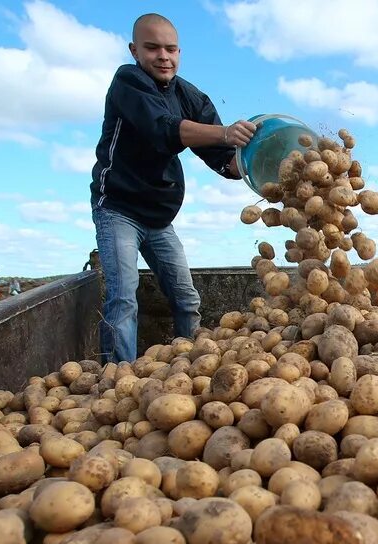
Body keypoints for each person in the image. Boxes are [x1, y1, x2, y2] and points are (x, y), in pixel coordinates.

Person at [90, 13, 258, 364]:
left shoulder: (189, 95)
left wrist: (264, 169)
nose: (163, 56)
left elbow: (223, 158)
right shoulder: (128, 82)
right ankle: (114, 379)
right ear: (135, 50)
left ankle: (192, 365)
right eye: (152, 48)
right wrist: (227, 132)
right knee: (123, 298)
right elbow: (164, 129)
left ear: (179, 52)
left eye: (170, 49)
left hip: (159, 216)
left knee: (186, 298)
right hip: (119, 209)